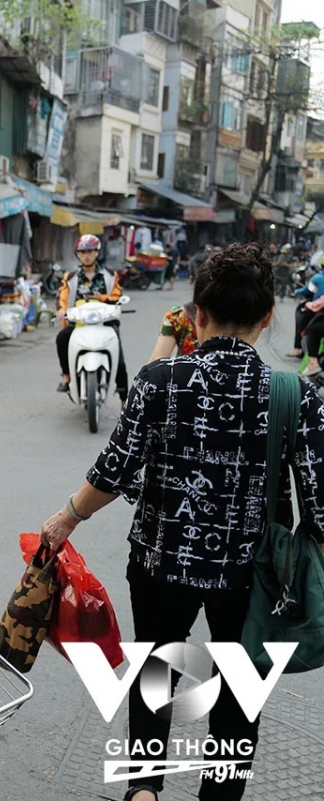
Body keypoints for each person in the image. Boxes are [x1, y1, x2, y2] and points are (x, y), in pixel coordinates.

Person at [39, 242, 324, 801]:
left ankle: (143, 792)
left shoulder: (159, 380)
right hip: (252, 575)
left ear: (196, 313)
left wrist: (65, 519)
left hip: (159, 561)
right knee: (239, 693)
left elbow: (113, 470)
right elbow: (319, 502)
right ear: (268, 318)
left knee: (156, 675)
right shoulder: (295, 394)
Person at [55, 234, 128, 400]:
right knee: (62, 338)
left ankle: (125, 400)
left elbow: (117, 297)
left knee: (119, 357)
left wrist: (101, 297)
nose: (86, 255)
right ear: (78, 254)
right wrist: (61, 310)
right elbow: (62, 297)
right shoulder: (71, 277)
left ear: (97, 253)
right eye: (82, 252)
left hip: (105, 322)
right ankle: (66, 376)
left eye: (90, 251)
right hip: (79, 322)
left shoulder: (110, 275)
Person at [288, 267, 324, 374]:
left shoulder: (317, 278)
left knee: (313, 328)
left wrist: (297, 292)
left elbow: (308, 290)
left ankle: (309, 358)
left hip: (317, 308)